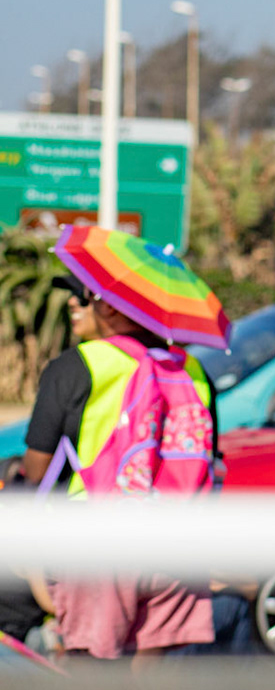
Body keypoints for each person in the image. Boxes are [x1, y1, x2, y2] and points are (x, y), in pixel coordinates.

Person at [21, 278, 216, 662]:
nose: (76, 303)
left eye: (86, 296)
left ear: (109, 305)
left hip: (99, 539)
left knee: (91, 669)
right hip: (178, 541)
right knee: (148, 673)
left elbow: (37, 466)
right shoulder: (192, 369)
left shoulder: (79, 364)